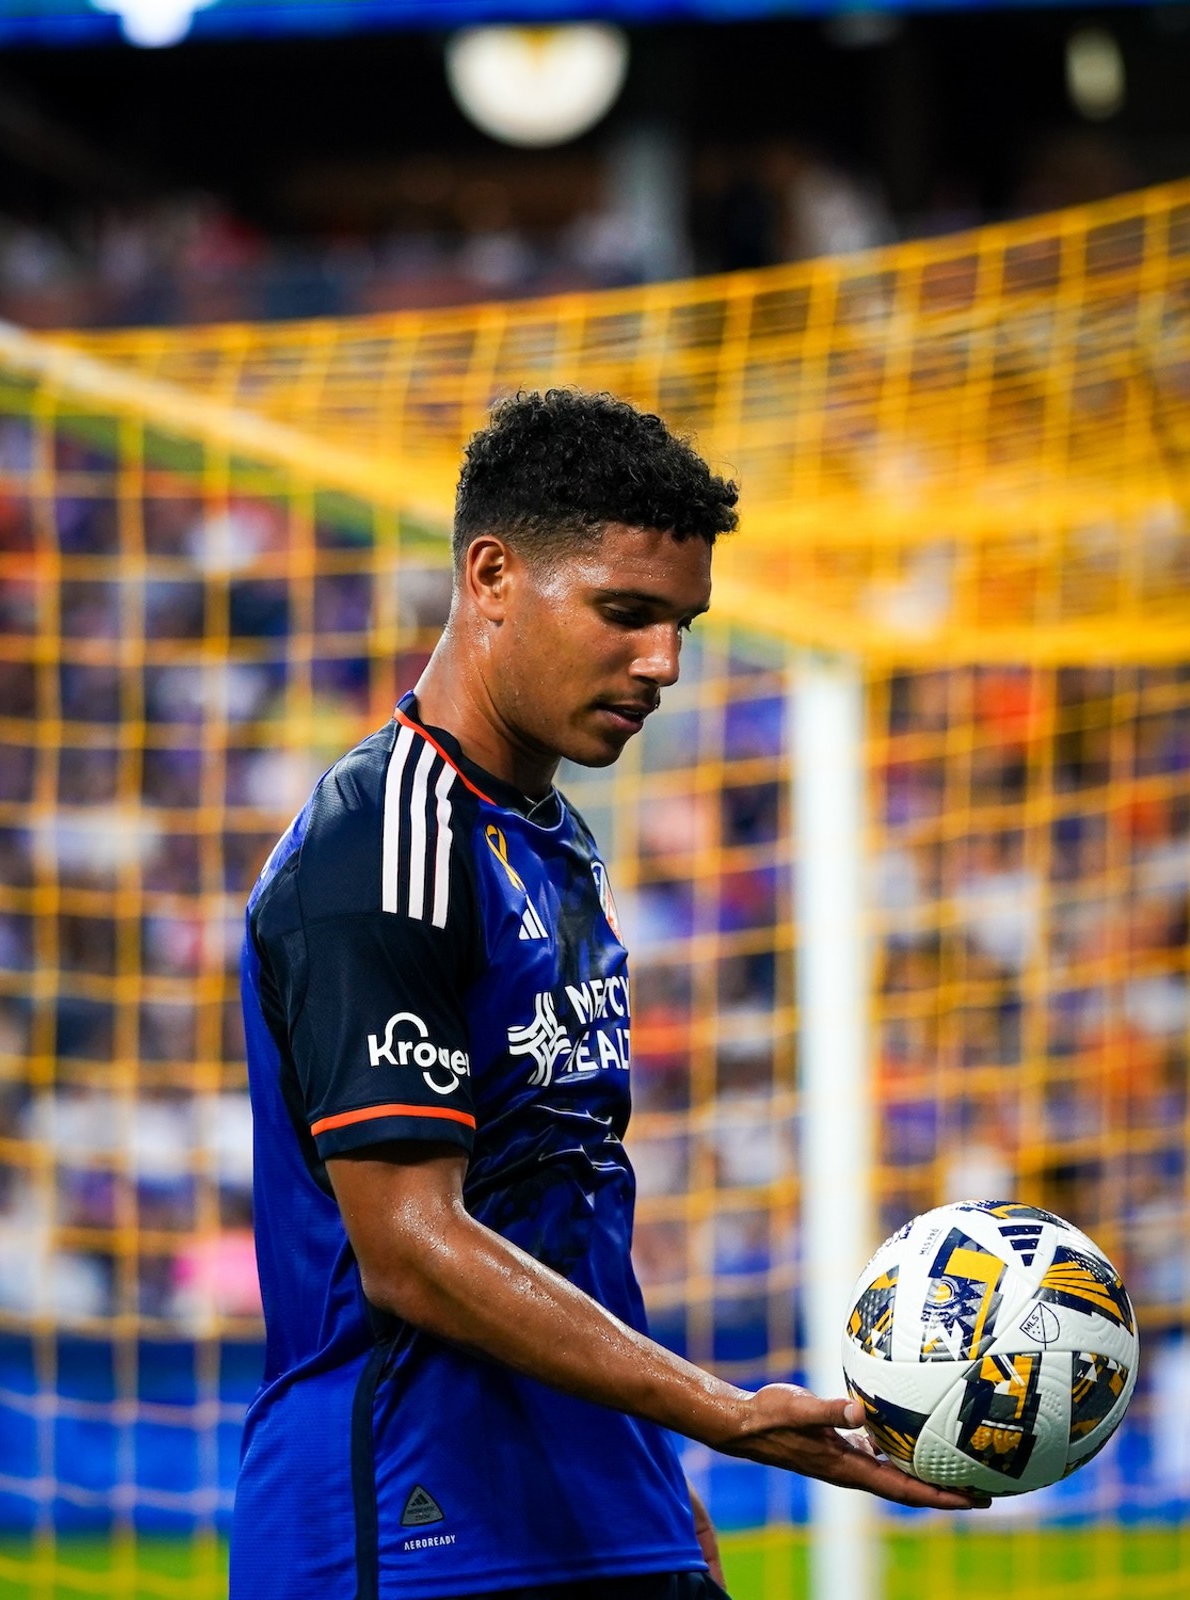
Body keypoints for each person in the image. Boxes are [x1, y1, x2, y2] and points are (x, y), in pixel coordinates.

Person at [231, 389, 985, 1600]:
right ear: (489, 574)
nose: (663, 663)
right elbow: (410, 1249)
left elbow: (558, 1195)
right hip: (416, 1524)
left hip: (606, 1501)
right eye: (625, 613)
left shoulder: (556, 840)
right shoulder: (381, 842)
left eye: (682, 623)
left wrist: (656, 1473)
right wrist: (716, 1411)